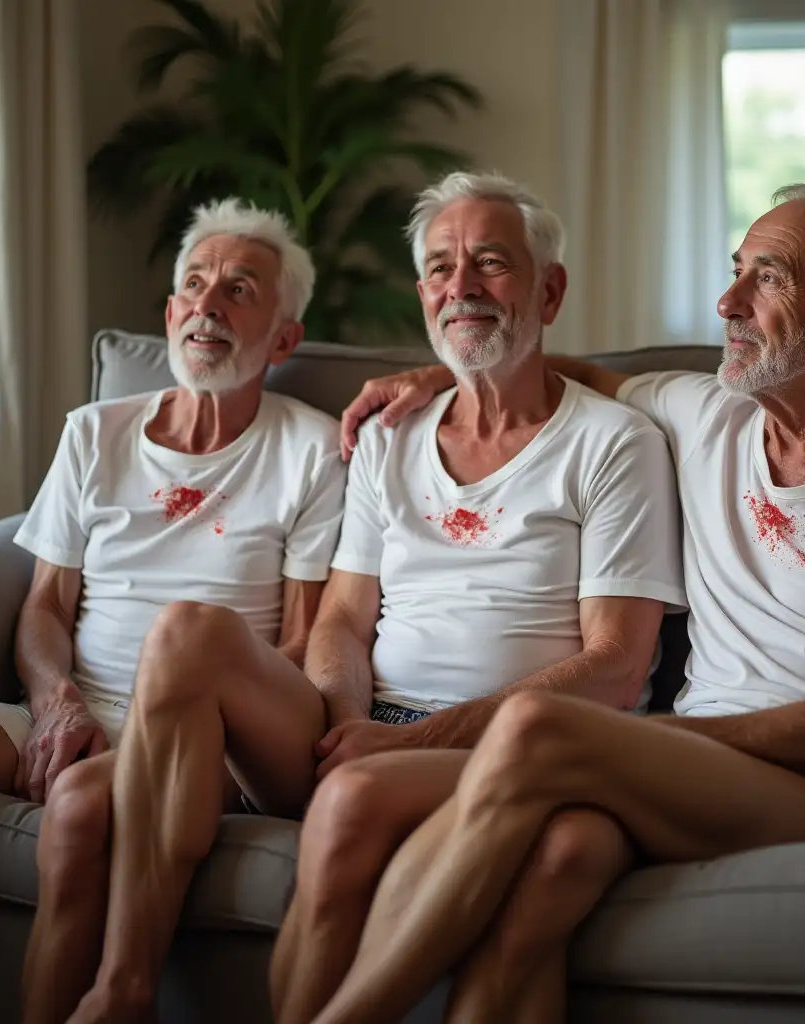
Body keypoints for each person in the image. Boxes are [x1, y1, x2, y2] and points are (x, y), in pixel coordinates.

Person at [313, 183, 805, 1024]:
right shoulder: (708, 412)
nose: (727, 302)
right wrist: (436, 369)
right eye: (734, 271)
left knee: (536, 725)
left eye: (768, 279)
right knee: (557, 862)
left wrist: (660, 740)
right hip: (677, 766)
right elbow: (560, 371)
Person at [266, 171, 685, 1024]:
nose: (460, 286)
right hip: (382, 722)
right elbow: (344, 619)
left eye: (490, 263)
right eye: (439, 267)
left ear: (550, 289)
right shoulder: (389, 437)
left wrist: (407, 743)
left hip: (530, 741)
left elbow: (615, 666)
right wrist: (343, 721)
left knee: (349, 805)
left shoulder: (613, 443)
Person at [0, 197, 348, 1024]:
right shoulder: (94, 433)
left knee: (82, 806)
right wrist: (55, 701)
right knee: (76, 786)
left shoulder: (310, 450)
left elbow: (301, 639)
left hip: (203, 728)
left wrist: (178, 729)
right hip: (79, 702)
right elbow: (44, 606)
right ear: (168, 313)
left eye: (238, 290)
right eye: (193, 285)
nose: (207, 305)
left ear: (284, 339)